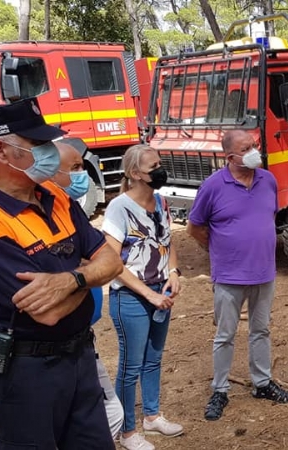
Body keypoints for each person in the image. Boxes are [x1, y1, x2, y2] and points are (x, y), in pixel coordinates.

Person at [0, 98, 123, 449]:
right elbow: (48, 312)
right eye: (38, 144)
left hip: (79, 357)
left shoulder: (55, 198)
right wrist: (88, 272)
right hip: (25, 369)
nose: (49, 151)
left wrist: (70, 280)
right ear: (0, 151)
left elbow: (113, 260)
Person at [187, 129, 288, 422]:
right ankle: (220, 390)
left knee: (261, 330)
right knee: (225, 335)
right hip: (229, 276)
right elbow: (194, 227)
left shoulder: (267, 180)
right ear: (230, 156)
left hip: (264, 273)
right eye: (247, 147)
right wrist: (220, 248)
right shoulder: (212, 186)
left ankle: (262, 383)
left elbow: (267, 217)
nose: (254, 150)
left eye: (255, 145)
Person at [103, 144, 184, 450]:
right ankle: (127, 431)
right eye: (154, 167)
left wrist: (173, 272)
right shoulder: (118, 208)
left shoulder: (161, 202)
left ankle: (152, 415)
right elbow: (112, 263)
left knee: (154, 359)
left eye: (160, 164)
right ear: (135, 174)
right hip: (132, 299)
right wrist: (149, 295)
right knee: (130, 365)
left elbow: (168, 242)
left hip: (160, 296)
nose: (160, 170)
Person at [54, 140, 125, 439]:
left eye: (82, 166)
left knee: (108, 414)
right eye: (75, 168)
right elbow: (52, 293)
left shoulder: (70, 211)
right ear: (50, 173)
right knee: (105, 416)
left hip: (84, 338)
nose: (83, 174)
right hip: (56, 350)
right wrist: (87, 274)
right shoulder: (46, 217)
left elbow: (111, 261)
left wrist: (78, 275)